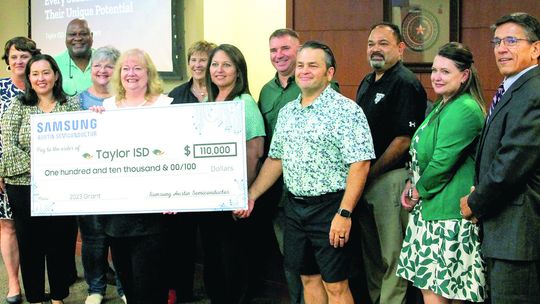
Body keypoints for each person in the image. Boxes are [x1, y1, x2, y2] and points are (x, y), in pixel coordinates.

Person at [242, 41, 374, 304]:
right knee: (308, 278)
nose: (304, 70)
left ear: (329, 73)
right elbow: (275, 159)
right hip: (295, 209)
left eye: (313, 65)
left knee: (335, 284)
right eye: (300, 65)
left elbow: (360, 164)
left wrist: (344, 213)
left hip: (332, 208)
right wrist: (252, 194)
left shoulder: (346, 111)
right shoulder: (288, 112)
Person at [396, 42, 487, 303]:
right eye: (435, 70)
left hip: (449, 218)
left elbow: (441, 163)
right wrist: (411, 183)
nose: (436, 76)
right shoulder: (443, 104)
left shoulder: (465, 109)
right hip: (431, 212)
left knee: (443, 295)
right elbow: (422, 158)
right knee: (434, 292)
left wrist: (416, 190)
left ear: (464, 75)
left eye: (445, 72)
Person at [460, 12, 540, 303]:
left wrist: (475, 201)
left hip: (518, 236)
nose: (501, 49)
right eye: (497, 41)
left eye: (511, 40)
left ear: (536, 48)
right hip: (503, 233)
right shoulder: (513, 88)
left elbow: (511, 164)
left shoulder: (533, 92)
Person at [354, 22, 426, 304]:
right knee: (372, 256)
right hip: (365, 180)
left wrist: (371, 173)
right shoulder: (367, 81)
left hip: (390, 179)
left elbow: (403, 140)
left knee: (392, 256)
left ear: (400, 48)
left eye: (383, 44)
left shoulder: (405, 82)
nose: (375, 49)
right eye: (371, 43)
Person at [93, 49, 172, 304]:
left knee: (151, 282)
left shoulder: (166, 105)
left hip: (153, 211)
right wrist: (91, 125)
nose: (131, 73)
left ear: (148, 73)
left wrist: (176, 192)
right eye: (125, 68)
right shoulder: (106, 108)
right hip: (118, 212)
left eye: (137, 68)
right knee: (127, 280)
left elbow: (175, 154)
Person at [0, 54, 80, 304]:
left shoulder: (72, 105)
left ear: (56, 75)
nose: (40, 78)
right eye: (35, 74)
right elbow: (8, 144)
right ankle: (34, 297)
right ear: (29, 78)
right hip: (23, 185)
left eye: (46, 72)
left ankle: (58, 297)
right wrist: (39, 166)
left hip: (62, 185)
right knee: (30, 243)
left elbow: (81, 143)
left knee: (60, 241)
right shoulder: (18, 105)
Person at [202, 43, 265, 303]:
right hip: (210, 198)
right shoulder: (209, 101)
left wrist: (241, 194)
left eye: (227, 64)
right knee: (213, 257)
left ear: (238, 71)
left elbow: (256, 150)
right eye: (215, 64)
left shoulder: (244, 102)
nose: (219, 70)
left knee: (233, 261)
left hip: (233, 199)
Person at [165, 40, 216, 304]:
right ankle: (181, 292)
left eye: (203, 60)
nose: (197, 65)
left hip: (214, 181)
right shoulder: (174, 95)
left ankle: (216, 292)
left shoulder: (224, 95)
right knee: (181, 243)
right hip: (184, 181)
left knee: (214, 243)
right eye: (193, 60)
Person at [257, 28, 304, 304]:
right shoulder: (266, 90)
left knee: (313, 265)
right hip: (276, 193)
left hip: (308, 193)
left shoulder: (314, 84)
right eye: (274, 50)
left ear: (299, 50)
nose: (279, 55)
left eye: (285, 49)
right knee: (290, 261)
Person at [77, 46, 126, 304]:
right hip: (89, 181)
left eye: (109, 66)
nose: (103, 70)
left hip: (121, 180)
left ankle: (123, 286)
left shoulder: (126, 98)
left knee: (121, 237)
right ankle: (95, 289)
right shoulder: (78, 100)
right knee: (93, 240)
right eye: (98, 65)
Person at [0, 36, 40, 304]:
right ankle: (14, 283)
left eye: (24, 56)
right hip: (5, 173)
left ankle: (40, 283)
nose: (18, 61)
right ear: (7, 62)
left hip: (42, 173)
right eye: (13, 57)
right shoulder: (0, 89)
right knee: (8, 226)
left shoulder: (43, 86)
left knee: (37, 229)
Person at [54, 18, 93, 96]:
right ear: (65, 38)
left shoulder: (104, 60)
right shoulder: (54, 63)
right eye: (72, 34)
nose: (78, 38)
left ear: (91, 36)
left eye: (83, 34)